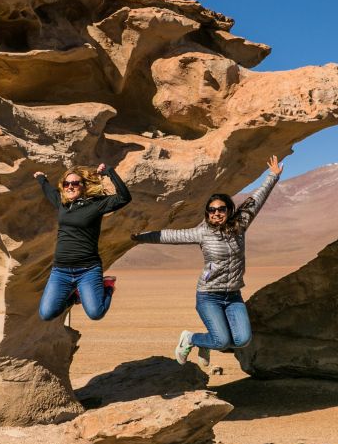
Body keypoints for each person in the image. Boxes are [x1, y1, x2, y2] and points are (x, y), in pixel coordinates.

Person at [131, 155, 284, 366]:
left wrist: (273, 176)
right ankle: (191, 338)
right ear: (207, 213)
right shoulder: (201, 233)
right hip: (208, 295)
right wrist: (138, 237)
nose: (217, 213)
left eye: (221, 209)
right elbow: (169, 236)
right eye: (212, 210)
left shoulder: (239, 225)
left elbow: (256, 200)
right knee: (221, 341)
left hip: (233, 295)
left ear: (229, 210)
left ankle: (206, 343)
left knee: (242, 339)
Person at [34, 163, 131, 322]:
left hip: (88, 270)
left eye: (75, 183)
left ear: (83, 186)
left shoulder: (96, 205)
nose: (70, 187)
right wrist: (41, 179)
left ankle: (107, 287)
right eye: (66, 184)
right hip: (61, 271)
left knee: (96, 313)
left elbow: (124, 197)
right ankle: (75, 297)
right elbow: (49, 191)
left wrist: (110, 172)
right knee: (46, 314)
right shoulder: (62, 203)